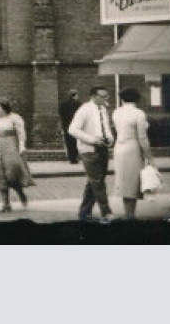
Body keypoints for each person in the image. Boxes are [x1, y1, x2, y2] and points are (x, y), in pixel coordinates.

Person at [69, 83, 115, 223]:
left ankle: (84, 213)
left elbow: (105, 127)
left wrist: (110, 138)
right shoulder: (84, 110)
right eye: (103, 96)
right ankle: (106, 213)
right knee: (97, 182)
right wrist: (92, 140)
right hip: (89, 150)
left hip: (102, 148)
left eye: (106, 96)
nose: (106, 99)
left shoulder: (103, 109)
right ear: (94, 96)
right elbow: (73, 129)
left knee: (95, 181)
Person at [0, 98, 34, 213]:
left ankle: (20, 192)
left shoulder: (14, 118)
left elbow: (21, 133)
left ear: (3, 107)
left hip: (10, 147)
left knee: (11, 174)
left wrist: (21, 146)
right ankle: (5, 204)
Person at [112, 87, 154, 220]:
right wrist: (149, 157)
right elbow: (142, 138)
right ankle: (130, 215)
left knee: (124, 182)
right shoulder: (139, 113)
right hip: (132, 148)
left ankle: (128, 213)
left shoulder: (116, 112)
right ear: (137, 99)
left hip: (119, 148)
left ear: (122, 99)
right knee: (133, 182)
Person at [57, 88, 81, 165]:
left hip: (66, 126)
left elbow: (60, 115)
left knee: (68, 143)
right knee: (76, 142)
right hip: (76, 126)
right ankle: (75, 157)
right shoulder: (78, 105)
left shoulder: (63, 104)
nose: (78, 97)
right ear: (74, 96)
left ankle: (71, 158)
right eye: (77, 95)